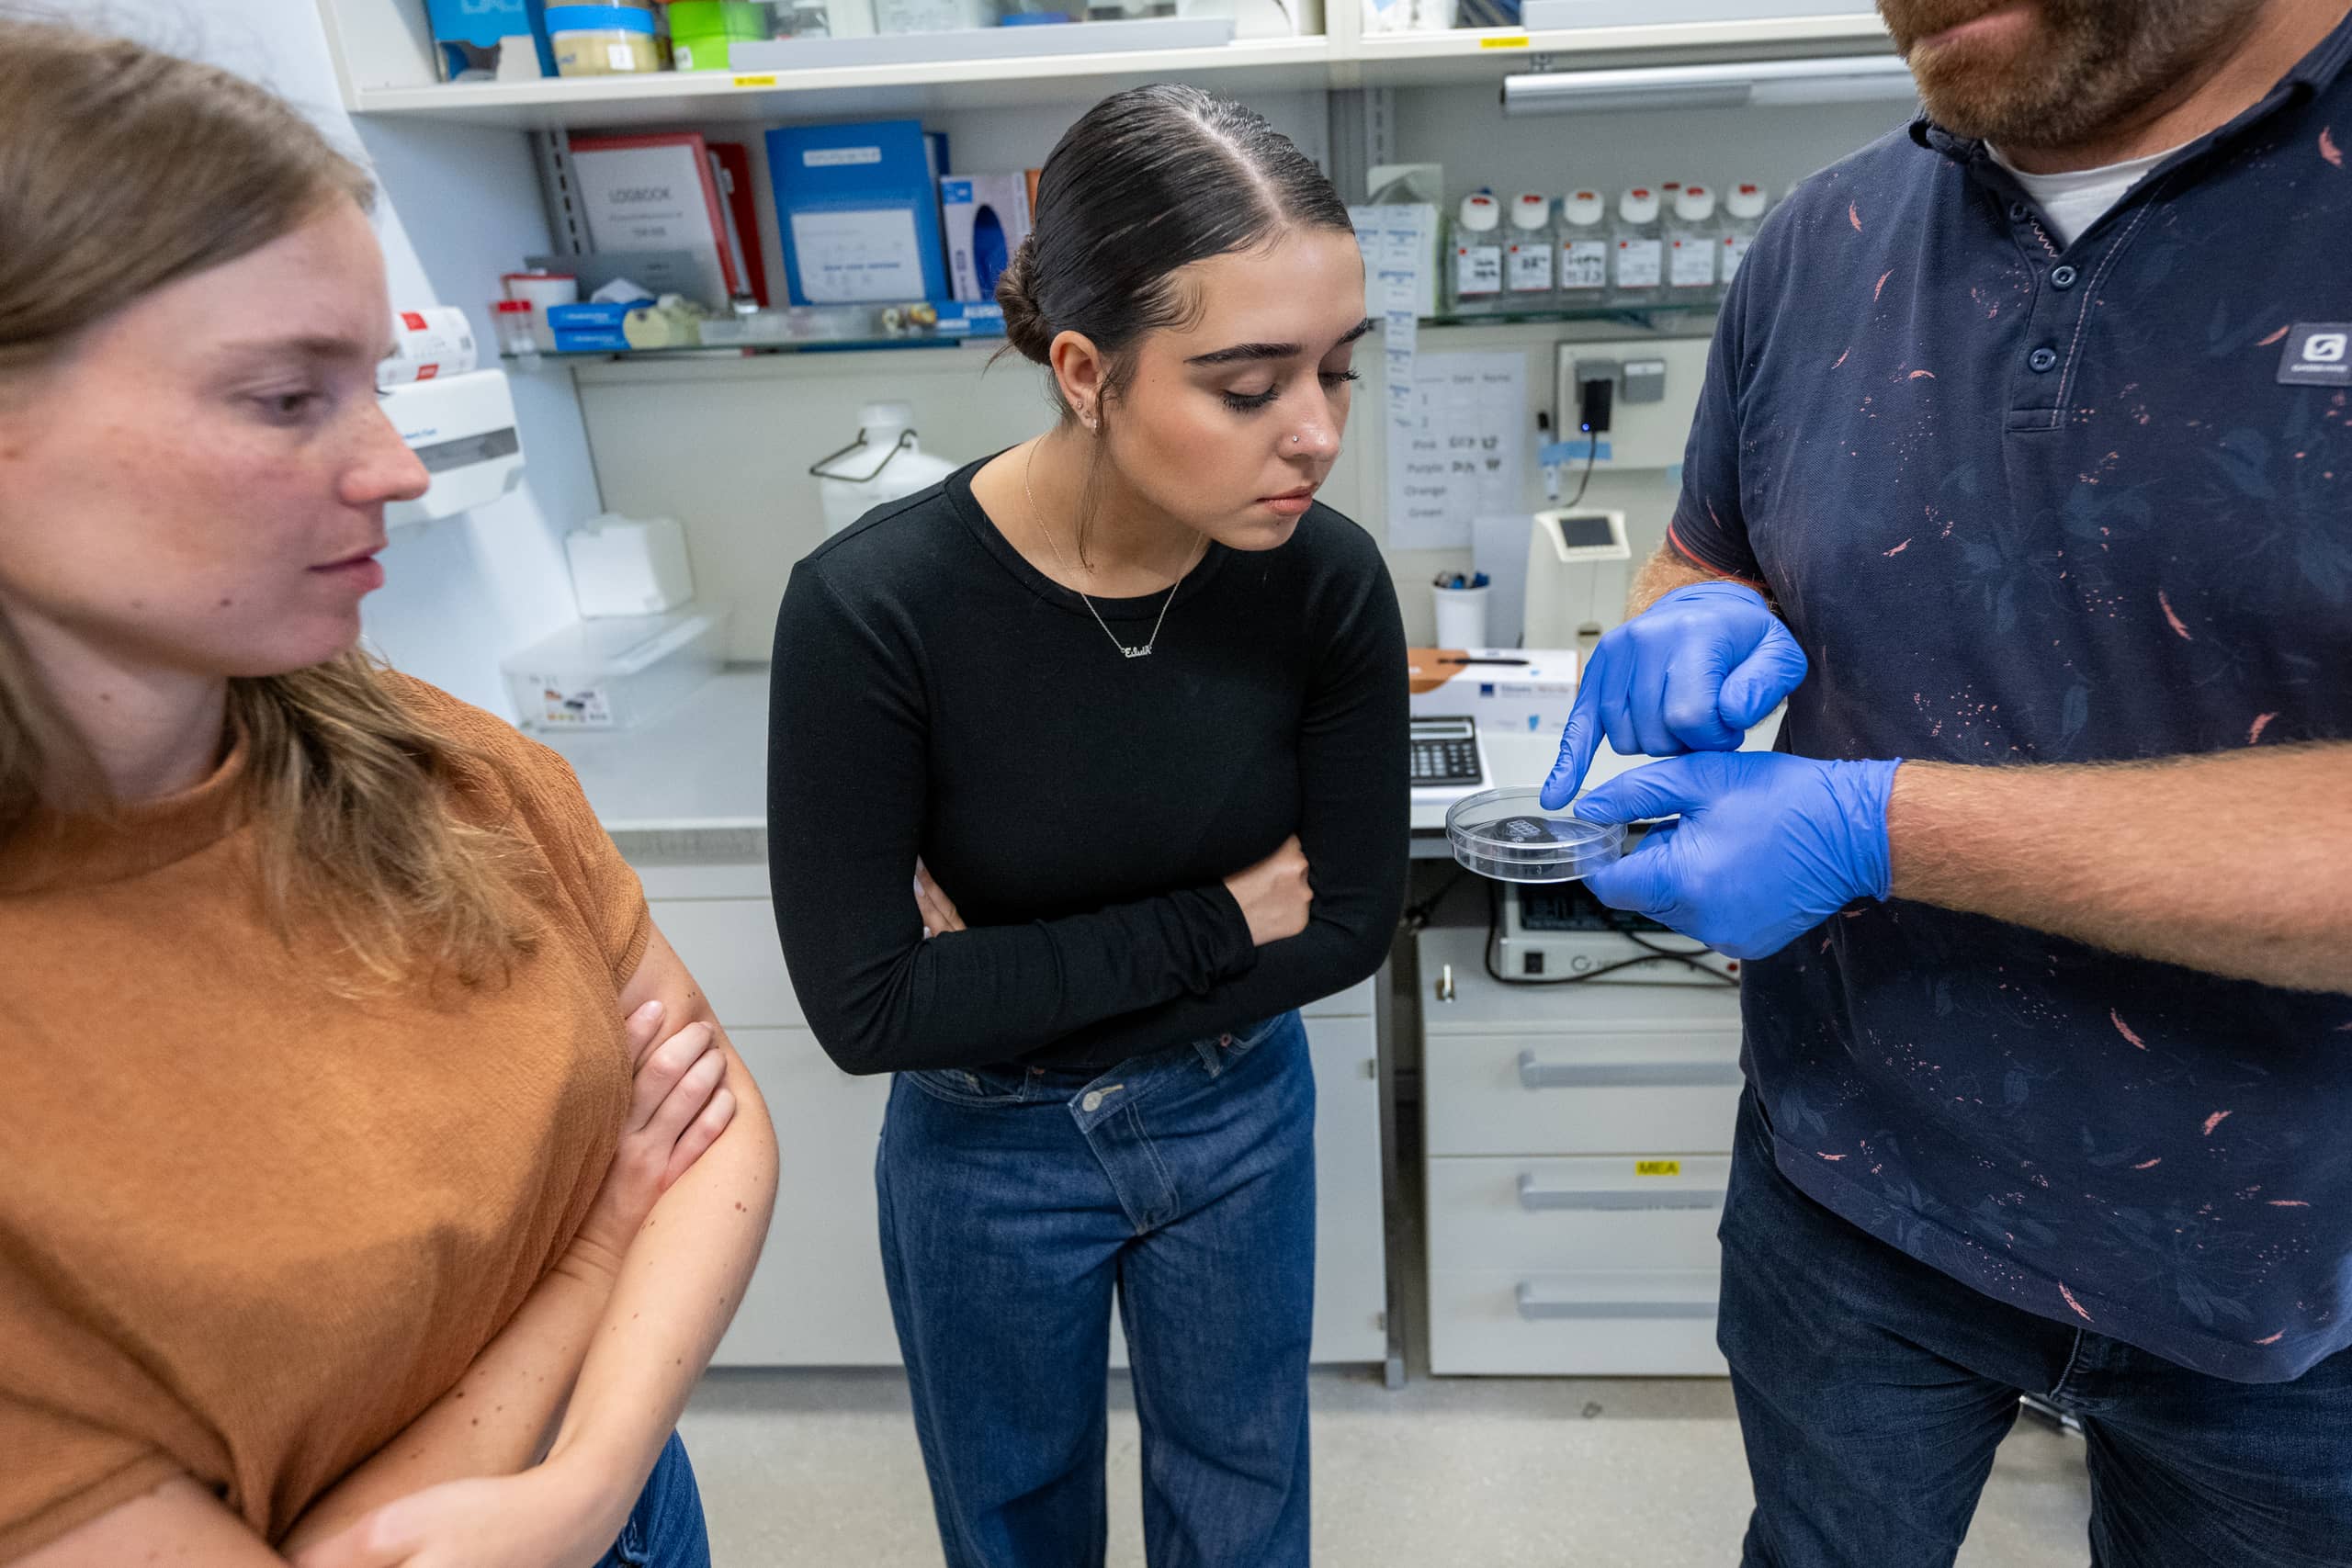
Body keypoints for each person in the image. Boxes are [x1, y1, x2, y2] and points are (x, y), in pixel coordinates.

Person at [1536, 0, 2352, 1562]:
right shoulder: (1822, 239)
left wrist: (1879, 828)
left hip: (2290, 1270)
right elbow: (1710, 545)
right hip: (1846, 1185)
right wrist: (1692, 615)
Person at [0, 21, 778, 1567]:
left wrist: (591, 1482)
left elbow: (714, 1125)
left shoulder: (437, 763)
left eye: (380, 384)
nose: (398, 469)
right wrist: (595, 1252)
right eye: (287, 399)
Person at [767, 85, 1405, 1568]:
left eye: (1338, 371)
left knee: (1242, 1507)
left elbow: (1357, 922)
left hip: (1238, 1108)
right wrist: (1218, 918)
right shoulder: (876, 609)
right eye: (1248, 387)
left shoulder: (1324, 582)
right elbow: (871, 1009)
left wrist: (1007, 975)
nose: (1314, 434)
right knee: (1014, 1521)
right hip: (983, 1147)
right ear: (1083, 369)